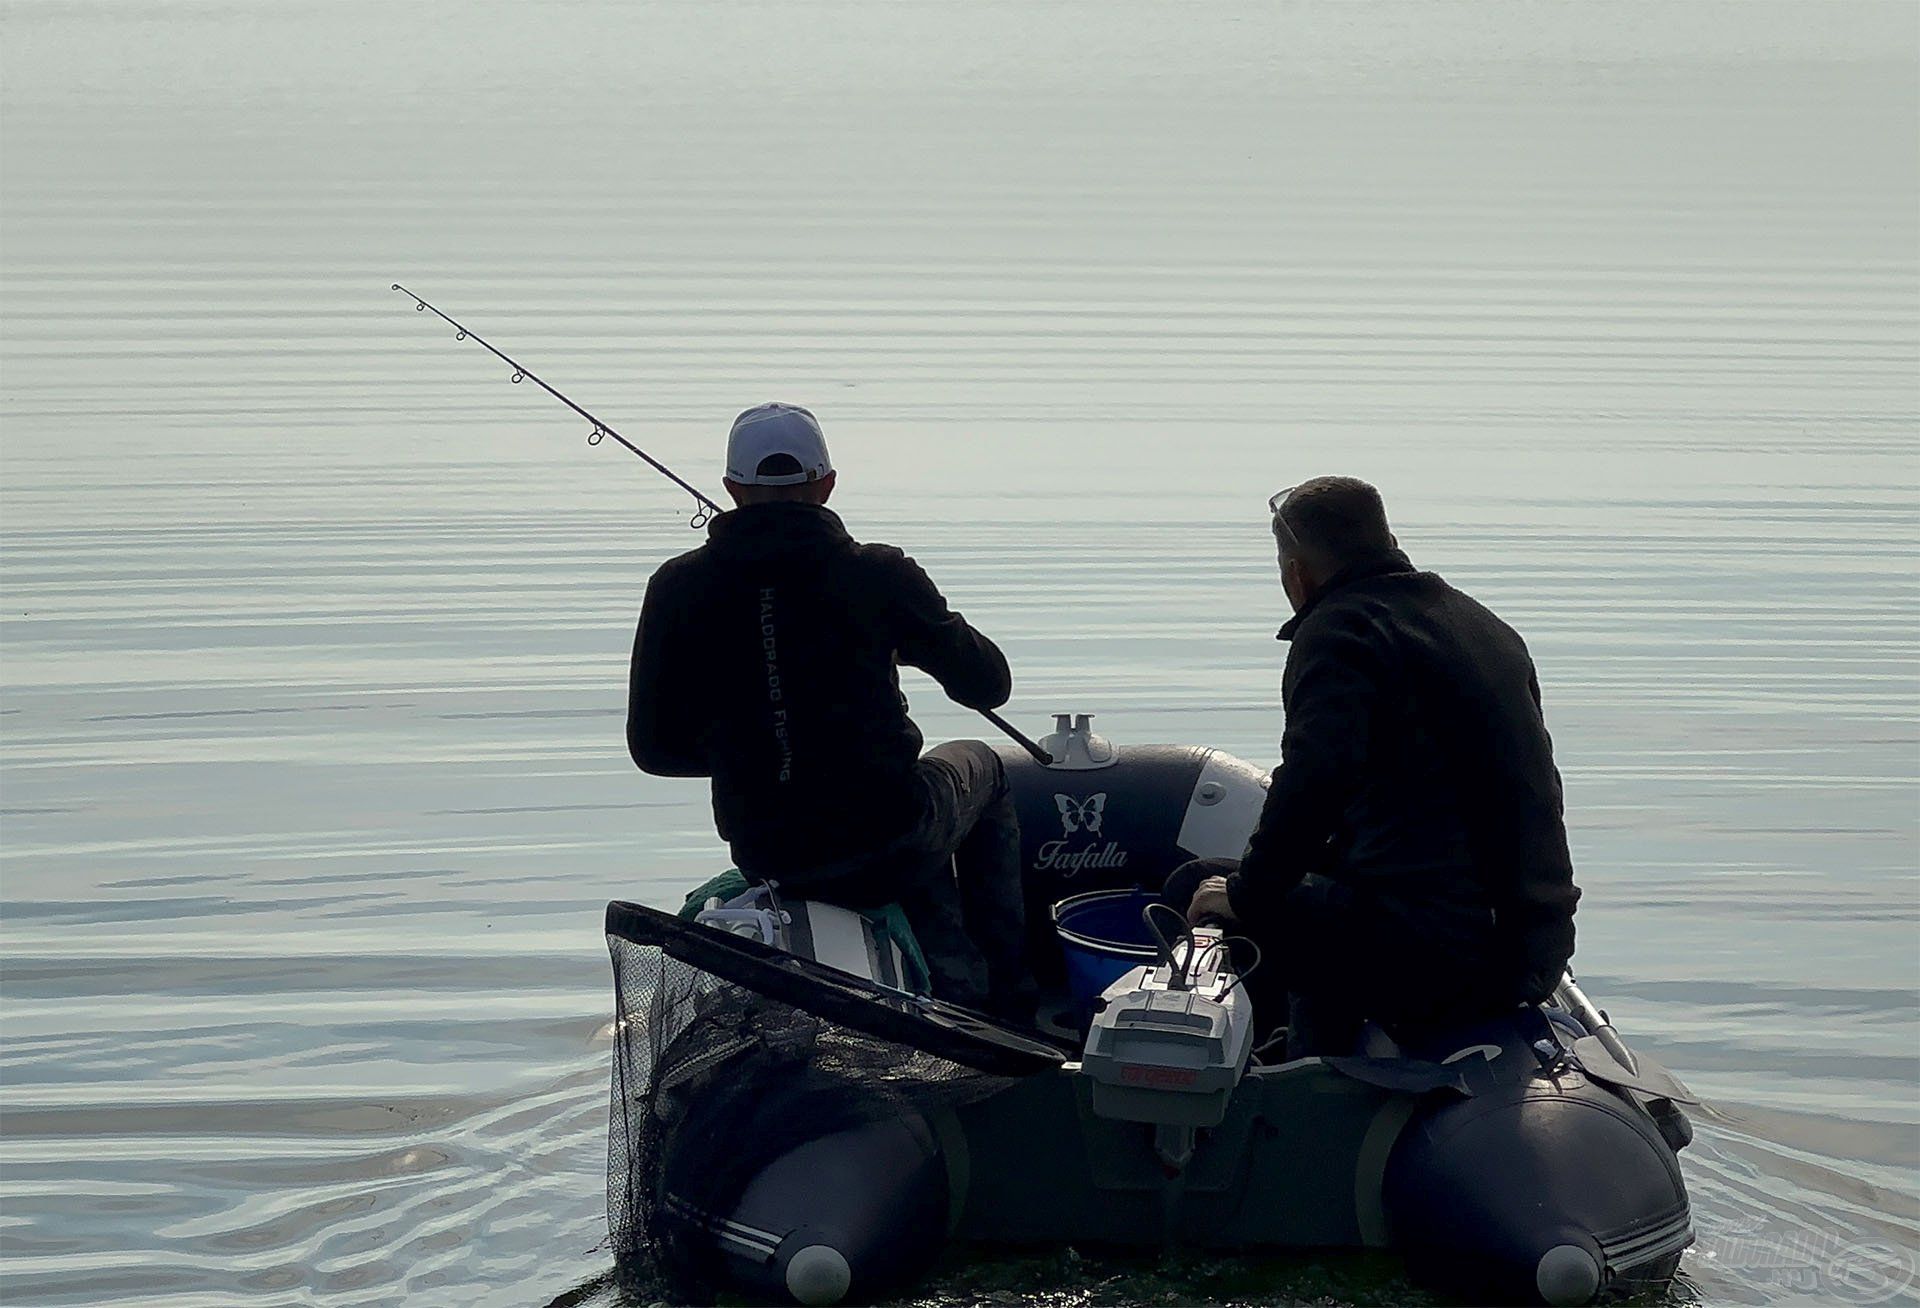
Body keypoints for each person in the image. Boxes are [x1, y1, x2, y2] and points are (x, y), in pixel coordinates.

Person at [626, 402, 1033, 1019]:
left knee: (910, 810)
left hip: (770, 852)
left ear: (732, 489)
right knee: (985, 768)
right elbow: (989, 685)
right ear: (827, 483)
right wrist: (910, 635)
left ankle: (953, 979)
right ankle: (1006, 995)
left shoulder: (677, 586)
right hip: (889, 835)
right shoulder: (879, 573)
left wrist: (756, 751)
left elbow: (653, 750)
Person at [1170, 476, 1580, 1054]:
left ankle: (1298, 1075)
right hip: (1533, 947)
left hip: (1436, 954)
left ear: (1295, 572)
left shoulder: (1340, 634)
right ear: (1388, 539)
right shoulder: (1480, 625)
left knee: (1199, 886)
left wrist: (1249, 892)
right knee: (1307, 890)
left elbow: (1311, 788)